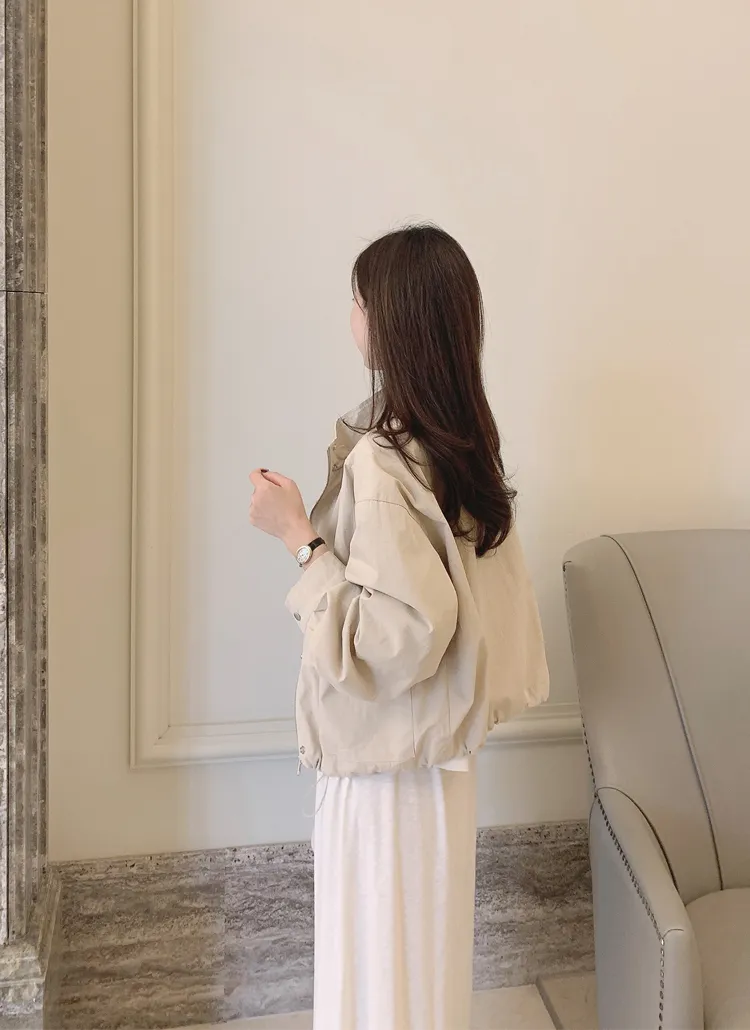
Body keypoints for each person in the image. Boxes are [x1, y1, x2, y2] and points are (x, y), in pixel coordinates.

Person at [248, 224, 549, 1030]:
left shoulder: (385, 462)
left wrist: (296, 536)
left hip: (382, 763)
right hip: (438, 756)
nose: (349, 312)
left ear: (388, 322)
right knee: (421, 971)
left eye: (358, 298)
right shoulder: (460, 441)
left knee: (373, 978)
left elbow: (393, 641)